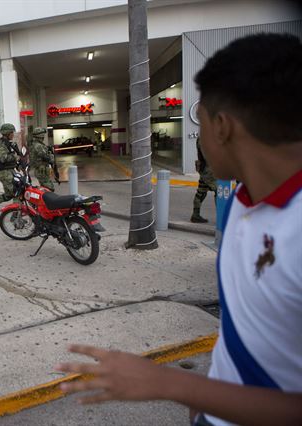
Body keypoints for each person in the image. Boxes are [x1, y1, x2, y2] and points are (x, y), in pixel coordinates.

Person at [55, 33, 302, 426]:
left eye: (198, 124)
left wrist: (172, 384)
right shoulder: (242, 200)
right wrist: (208, 397)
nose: (198, 139)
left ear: (221, 127)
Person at [191, 137, 217, 223]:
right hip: (209, 171)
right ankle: (221, 216)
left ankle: (195, 215)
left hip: (206, 170)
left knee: (201, 192)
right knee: (219, 192)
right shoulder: (205, 138)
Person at [28, 127, 55, 191]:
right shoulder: (38, 146)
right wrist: (51, 155)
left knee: (46, 187)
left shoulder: (36, 144)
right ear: (40, 136)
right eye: (43, 135)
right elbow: (46, 157)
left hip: (41, 169)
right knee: (49, 188)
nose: (43, 137)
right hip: (41, 170)